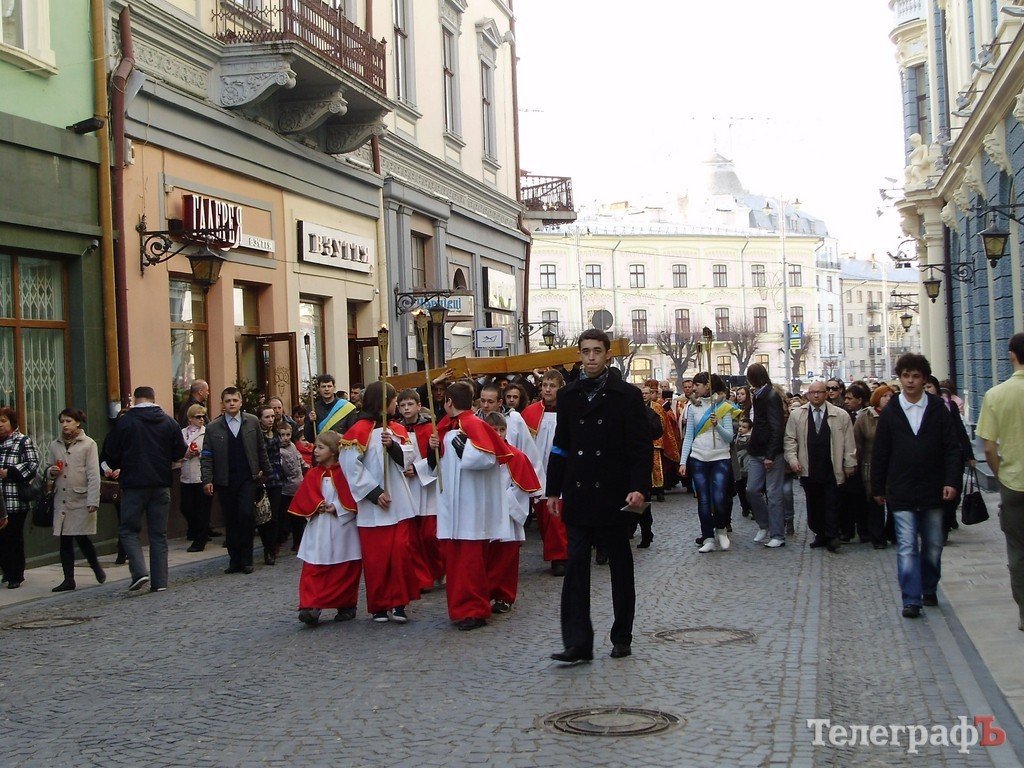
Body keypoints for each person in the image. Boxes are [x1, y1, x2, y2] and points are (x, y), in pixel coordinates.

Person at [547, 330, 651, 664]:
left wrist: (639, 487)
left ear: (607, 355)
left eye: (596, 351)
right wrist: (553, 488)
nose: (590, 357)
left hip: (614, 492)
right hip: (578, 493)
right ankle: (578, 643)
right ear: (579, 355)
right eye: (585, 352)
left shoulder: (626, 395)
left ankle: (622, 635)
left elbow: (639, 447)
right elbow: (560, 444)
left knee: (620, 568)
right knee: (576, 568)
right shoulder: (569, 396)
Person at [871, 353, 961, 619]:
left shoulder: (937, 409)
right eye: (905, 376)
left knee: (933, 544)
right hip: (901, 490)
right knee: (907, 546)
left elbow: (951, 449)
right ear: (900, 379)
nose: (910, 381)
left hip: (933, 488)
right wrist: (877, 487)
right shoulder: (891, 412)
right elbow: (881, 452)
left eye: (915, 376)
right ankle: (911, 598)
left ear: (924, 379)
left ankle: (929, 586)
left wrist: (951, 481)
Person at [427, 381, 511, 630]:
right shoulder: (446, 428)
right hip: (452, 506)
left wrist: (466, 451)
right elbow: (437, 466)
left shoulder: (473, 425)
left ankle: (474, 610)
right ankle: (461, 609)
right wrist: (432, 449)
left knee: (470, 563)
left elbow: (488, 458)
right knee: (456, 563)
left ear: (449, 402)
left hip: (471, 507)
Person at [339, 381, 421, 623]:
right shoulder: (357, 431)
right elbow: (350, 467)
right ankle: (379, 605)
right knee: (377, 559)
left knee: (401, 555)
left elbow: (408, 458)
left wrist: (393, 446)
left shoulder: (397, 429)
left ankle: (399, 603)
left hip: (399, 502)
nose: (396, 404)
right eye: (394, 400)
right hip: (373, 507)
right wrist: (374, 493)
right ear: (383, 403)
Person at [101, 386, 188, 592]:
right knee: (159, 534)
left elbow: (110, 453)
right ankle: (160, 582)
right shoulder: (169, 422)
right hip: (161, 484)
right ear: (153, 398)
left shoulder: (126, 422)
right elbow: (179, 452)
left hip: (134, 484)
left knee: (129, 529)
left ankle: (139, 572)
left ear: (134, 399)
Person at [288, 431, 362, 626]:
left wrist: (337, 507)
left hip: (342, 527)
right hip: (319, 527)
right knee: (313, 566)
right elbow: (305, 496)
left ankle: (346, 604)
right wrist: (316, 505)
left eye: (321, 447)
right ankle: (310, 605)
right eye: (316, 447)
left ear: (334, 451)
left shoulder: (345, 473)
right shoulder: (314, 473)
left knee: (345, 567)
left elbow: (352, 497)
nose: (315, 451)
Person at [977, 332, 1024, 631]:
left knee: (1018, 551)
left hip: (1014, 483)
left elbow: (989, 447)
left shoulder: (996, 395)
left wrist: (999, 473)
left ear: (1011, 356)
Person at [201, 387, 270, 575]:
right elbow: (206, 455)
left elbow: (260, 448)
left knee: (246, 515)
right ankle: (235, 560)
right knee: (230, 519)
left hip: (248, 477)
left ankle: (247, 559)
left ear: (240, 402)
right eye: (228, 401)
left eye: (234, 400)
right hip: (225, 479)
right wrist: (207, 479)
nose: (231, 403)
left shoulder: (252, 422)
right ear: (222, 404)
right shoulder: (213, 427)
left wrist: (266, 472)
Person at [783, 381, 856, 553]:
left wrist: (849, 463)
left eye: (820, 392)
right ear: (807, 394)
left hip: (832, 465)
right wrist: (793, 460)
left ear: (826, 394)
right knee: (814, 503)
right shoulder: (798, 415)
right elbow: (790, 439)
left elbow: (848, 442)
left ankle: (832, 536)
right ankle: (820, 533)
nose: (816, 395)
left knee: (832, 502)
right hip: (808, 466)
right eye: (812, 392)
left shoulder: (840, 415)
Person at [482, 411, 541, 614]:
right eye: (493, 430)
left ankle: (504, 596)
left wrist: (502, 502)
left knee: (506, 559)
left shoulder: (516, 456)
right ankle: (485, 593)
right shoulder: (478, 455)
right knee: (486, 558)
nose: (498, 434)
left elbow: (522, 489)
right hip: (486, 516)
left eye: (501, 430)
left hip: (508, 515)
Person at [45, 408, 104, 592]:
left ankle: (96, 567)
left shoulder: (88, 444)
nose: (64, 425)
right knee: (64, 540)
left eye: (68, 421)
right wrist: (50, 472)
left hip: (80, 497)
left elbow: (94, 474)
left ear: (78, 422)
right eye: (62, 421)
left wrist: (93, 500)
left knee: (81, 537)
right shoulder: (55, 445)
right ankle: (68, 579)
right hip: (62, 498)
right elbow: (48, 467)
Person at [678, 372, 734, 553]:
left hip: (720, 458)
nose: (694, 388)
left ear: (708, 386)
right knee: (703, 500)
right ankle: (708, 536)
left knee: (719, 498)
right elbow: (688, 436)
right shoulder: (693, 406)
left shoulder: (724, 406)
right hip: (699, 457)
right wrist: (683, 461)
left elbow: (730, 437)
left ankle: (721, 530)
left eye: (698, 384)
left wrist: (717, 425)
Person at [397, 388, 444, 591]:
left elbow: (436, 456)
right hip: (406, 486)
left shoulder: (428, 428)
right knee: (412, 537)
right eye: (402, 405)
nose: (406, 409)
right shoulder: (396, 429)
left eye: (410, 404)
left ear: (418, 406)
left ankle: (440, 569)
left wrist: (417, 468)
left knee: (429, 535)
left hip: (427, 486)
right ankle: (421, 578)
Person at [524, 369, 568, 575]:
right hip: (539, 467)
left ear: (561, 388)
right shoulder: (531, 412)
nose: (548, 390)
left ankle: (561, 556)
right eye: (544, 385)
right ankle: (553, 552)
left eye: (552, 386)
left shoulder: (570, 410)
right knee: (543, 516)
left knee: (558, 514)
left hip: (563, 467)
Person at [746, 364, 787, 548]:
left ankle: (778, 533)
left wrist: (771, 454)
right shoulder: (758, 395)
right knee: (751, 489)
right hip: (757, 449)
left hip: (771, 452)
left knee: (774, 493)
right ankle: (764, 524)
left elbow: (776, 426)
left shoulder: (770, 396)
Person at [0, 407, 40, 589]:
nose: (0, 425)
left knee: (13, 537)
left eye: (3, 421)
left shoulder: (22, 441)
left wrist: (9, 472)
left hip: (15, 498)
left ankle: (16, 573)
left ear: (12, 422)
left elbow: (32, 464)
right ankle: (7, 571)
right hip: (0, 500)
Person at [854, 384, 894, 549]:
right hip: (871, 463)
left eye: (891, 396)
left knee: (894, 500)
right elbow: (857, 442)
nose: (888, 399)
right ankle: (877, 537)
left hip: (893, 464)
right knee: (875, 500)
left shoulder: (896, 415)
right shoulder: (865, 417)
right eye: (885, 396)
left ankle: (892, 532)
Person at [177, 404, 211, 552]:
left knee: (201, 509)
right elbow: (176, 452)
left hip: (200, 476)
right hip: (185, 475)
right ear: (190, 418)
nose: (201, 419)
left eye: (203, 416)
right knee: (186, 507)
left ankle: (200, 540)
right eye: (198, 417)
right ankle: (195, 530)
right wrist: (185, 455)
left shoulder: (206, 433)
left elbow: (211, 452)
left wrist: (199, 454)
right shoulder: (182, 433)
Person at [646, 379, 681, 503]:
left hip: (656, 441)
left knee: (657, 467)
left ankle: (659, 489)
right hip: (643, 442)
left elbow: (663, 424)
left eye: (648, 393)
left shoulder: (658, 407)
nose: (645, 396)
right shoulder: (637, 406)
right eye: (643, 394)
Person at [257, 405, 284, 565]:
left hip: (276, 477)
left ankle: (271, 549)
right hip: (262, 477)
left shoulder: (276, 433)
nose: (270, 419)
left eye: (272, 416)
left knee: (274, 515)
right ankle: (266, 545)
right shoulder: (256, 434)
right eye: (267, 417)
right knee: (262, 515)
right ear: (260, 418)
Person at [277, 421, 306, 553]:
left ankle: (298, 542)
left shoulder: (293, 446)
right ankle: (279, 541)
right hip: (285, 489)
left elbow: (299, 460)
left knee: (298, 518)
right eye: (282, 435)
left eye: (288, 435)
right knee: (283, 517)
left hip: (298, 486)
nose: (285, 438)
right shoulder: (279, 450)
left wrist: (305, 466)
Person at [303, 374, 358, 443]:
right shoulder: (313, 409)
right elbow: (309, 438)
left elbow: (352, 433)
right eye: (323, 386)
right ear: (318, 388)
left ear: (334, 388)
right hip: (321, 449)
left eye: (329, 386)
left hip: (340, 449)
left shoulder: (347, 407)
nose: (326, 389)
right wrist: (311, 423)